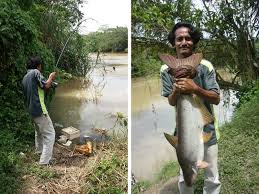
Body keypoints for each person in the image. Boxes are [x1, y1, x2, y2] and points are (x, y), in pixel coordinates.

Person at [160, 22, 221, 194]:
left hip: (207, 128)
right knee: (184, 176)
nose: (184, 42)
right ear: (174, 43)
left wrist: (194, 88)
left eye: (188, 38)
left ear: (193, 41)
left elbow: (216, 98)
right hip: (183, 131)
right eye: (179, 39)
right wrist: (176, 89)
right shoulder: (166, 70)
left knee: (212, 176)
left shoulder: (206, 66)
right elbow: (171, 101)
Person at [22, 56, 56, 165]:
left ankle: (39, 152)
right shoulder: (35, 72)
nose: (41, 67)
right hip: (39, 110)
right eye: (40, 65)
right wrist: (51, 78)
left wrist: (51, 84)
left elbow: (40, 89)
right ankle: (44, 162)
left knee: (39, 133)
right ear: (38, 65)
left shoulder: (26, 77)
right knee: (50, 134)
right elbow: (46, 86)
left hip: (31, 111)